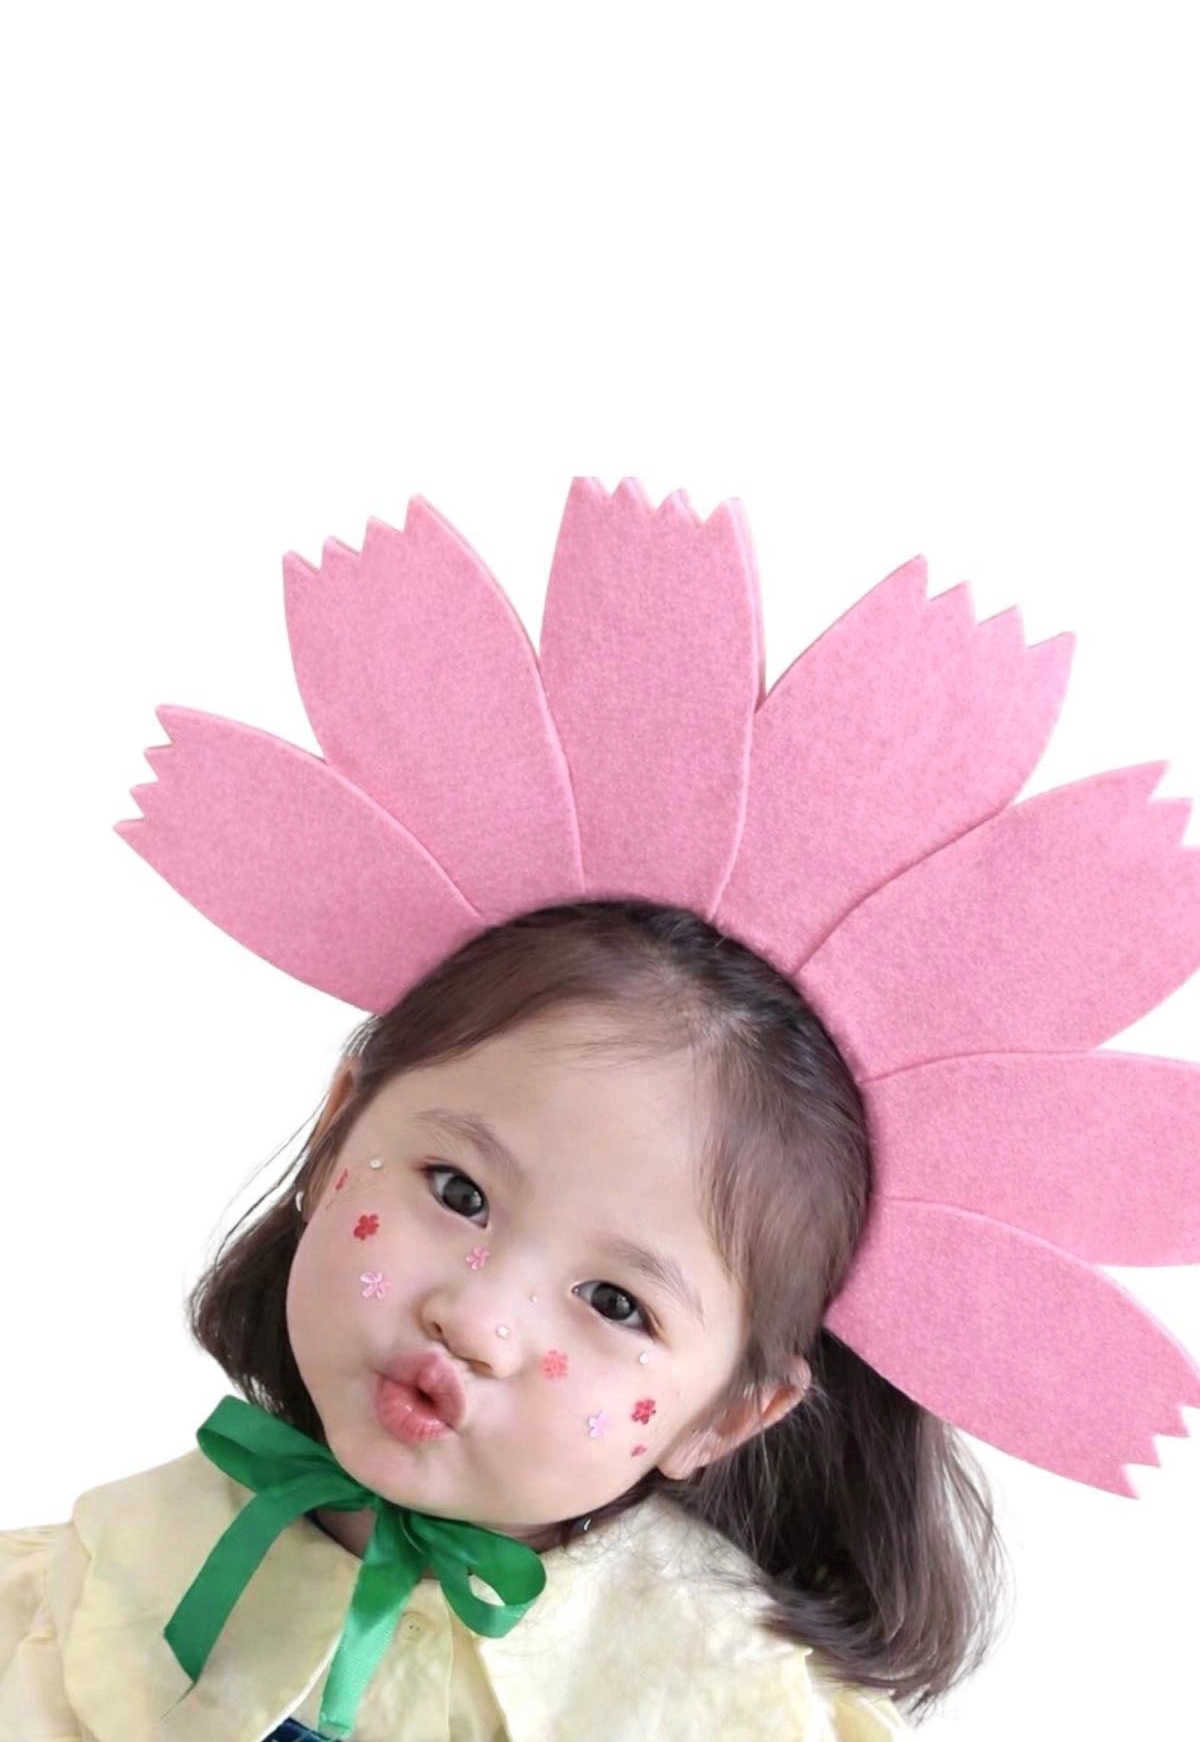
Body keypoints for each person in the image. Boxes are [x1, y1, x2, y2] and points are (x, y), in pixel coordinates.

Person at [2, 478, 1196, 1740]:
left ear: (729, 1414)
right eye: (457, 1191)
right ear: (338, 1133)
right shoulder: (71, 1597)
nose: (477, 1320)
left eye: (617, 1302)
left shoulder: (739, 1713)